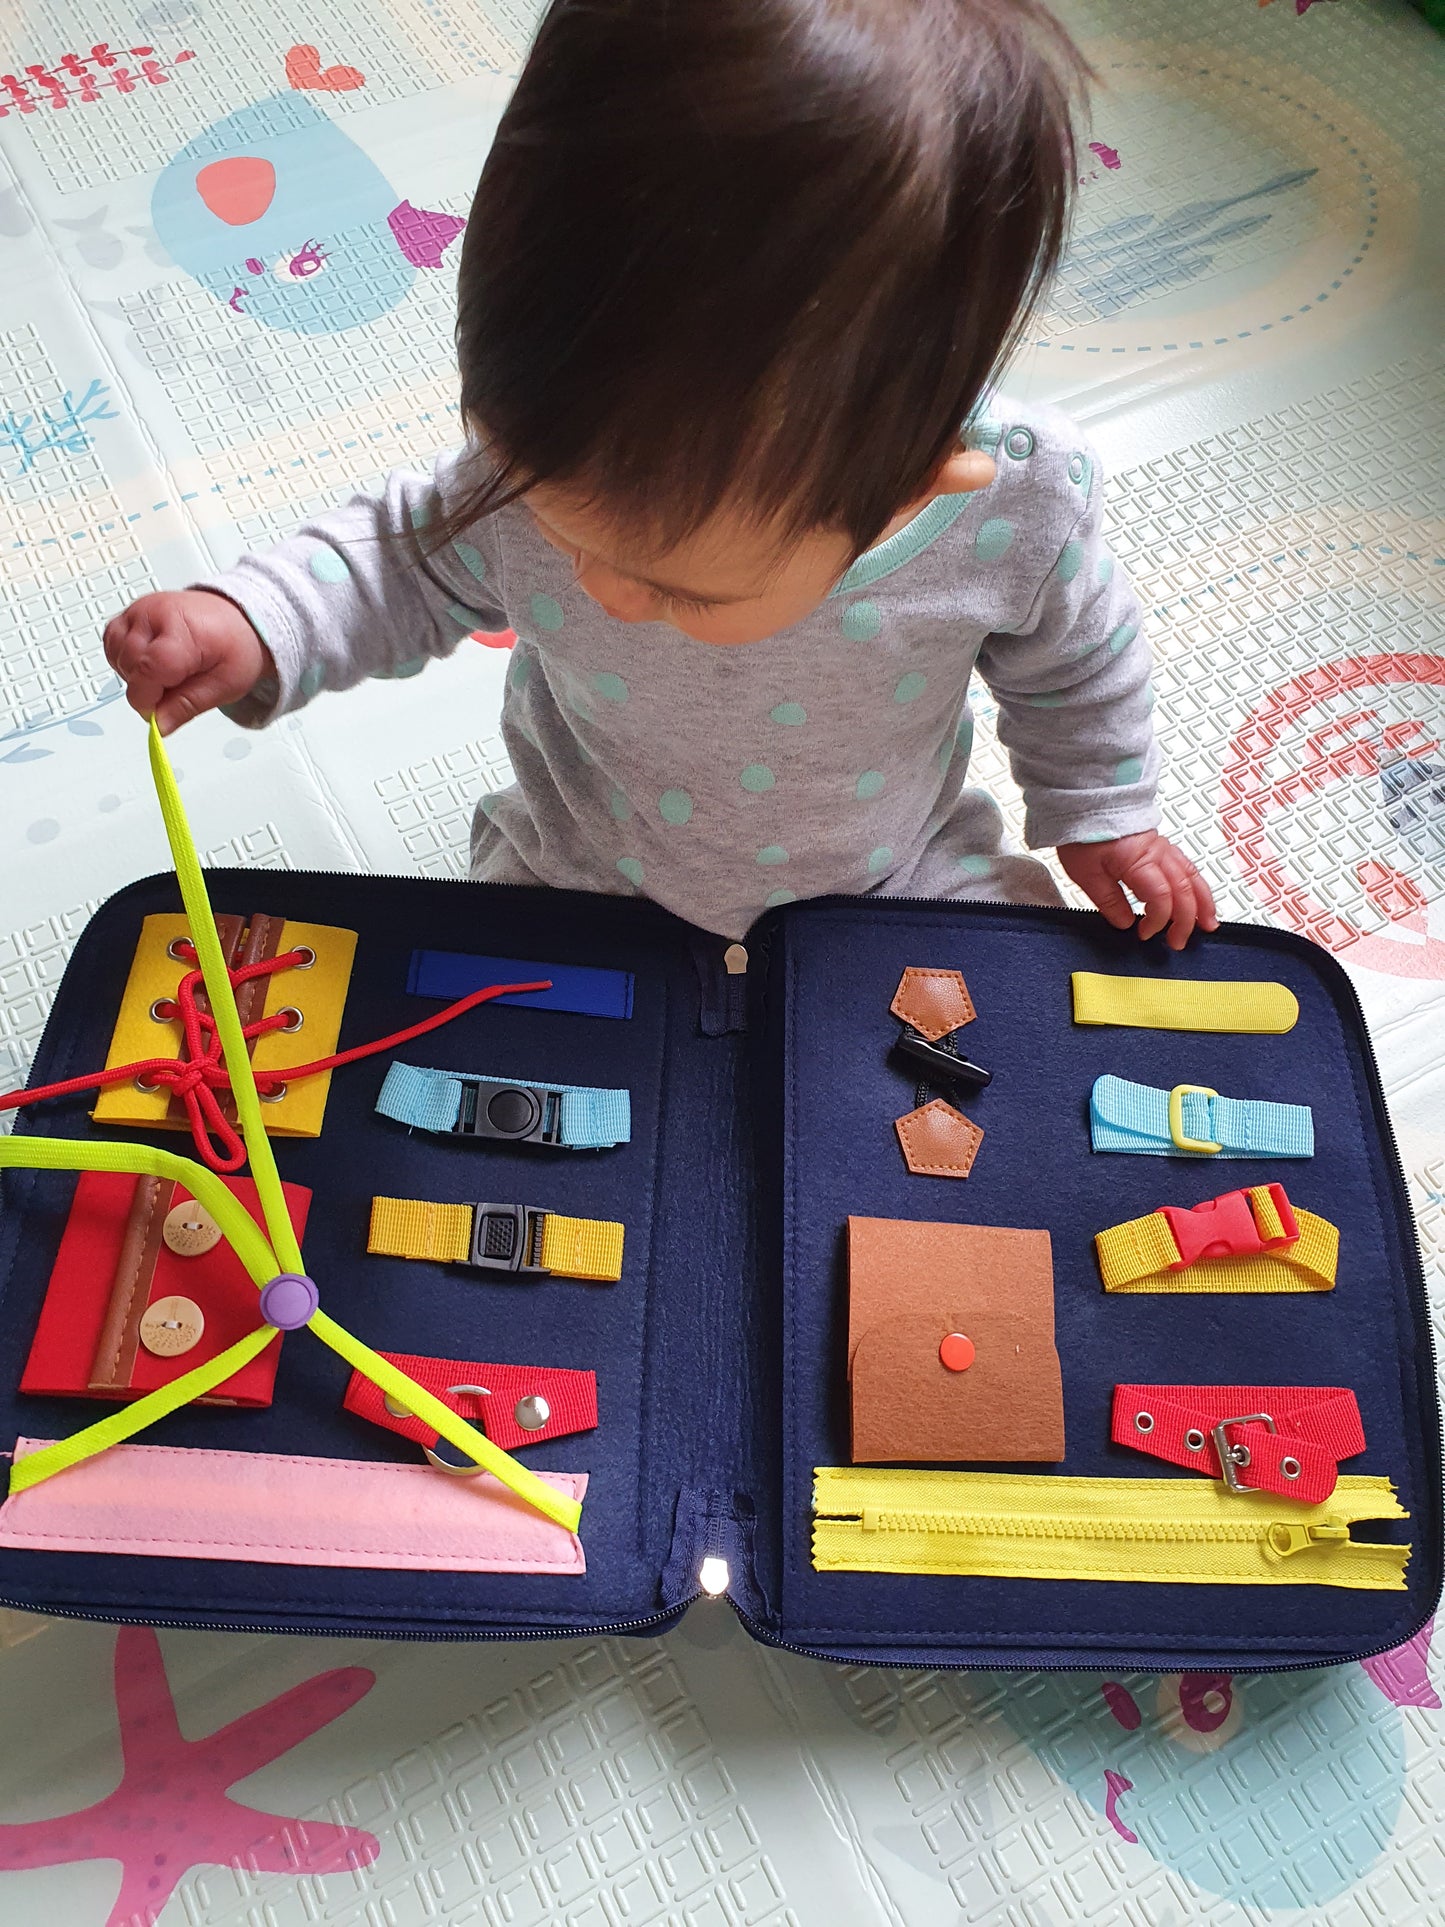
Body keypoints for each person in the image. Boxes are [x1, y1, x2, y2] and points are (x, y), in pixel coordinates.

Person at [103, 0, 1217, 948]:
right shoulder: (556, 447)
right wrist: (252, 619)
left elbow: (1075, 664)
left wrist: (1096, 809)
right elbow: (405, 559)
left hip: (892, 871)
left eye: (680, 586)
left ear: (908, 483)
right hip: (584, 861)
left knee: (1009, 1014)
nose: (596, 591)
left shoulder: (1015, 513)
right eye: (556, 524)